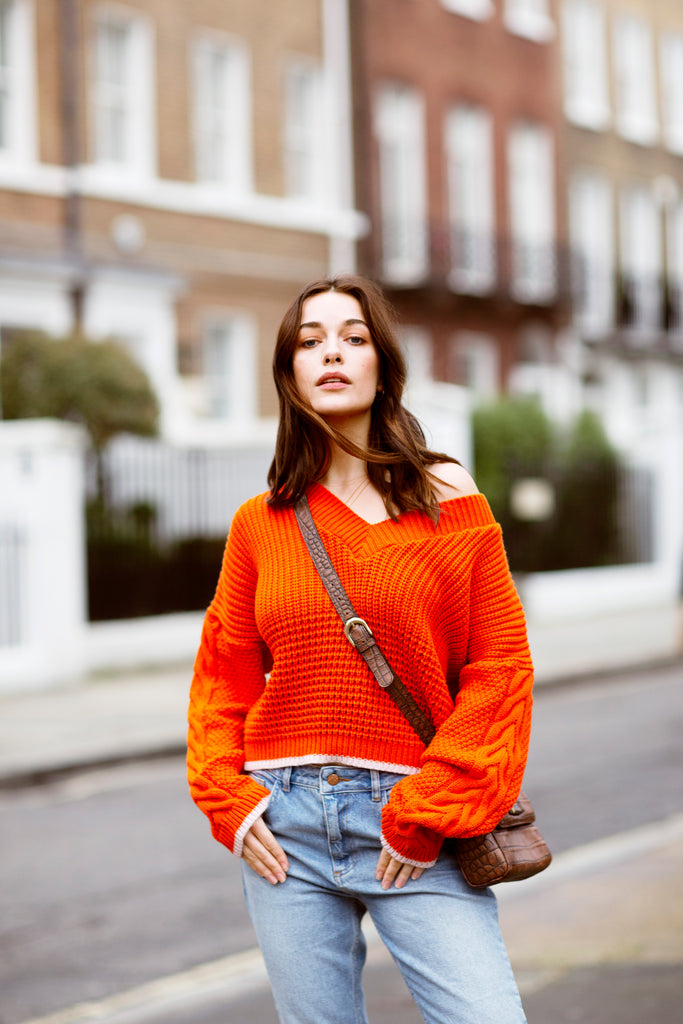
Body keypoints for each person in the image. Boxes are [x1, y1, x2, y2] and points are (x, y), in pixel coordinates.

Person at [187, 274, 534, 1024]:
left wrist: (426, 807)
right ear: (289, 374)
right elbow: (223, 674)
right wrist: (230, 800)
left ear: (383, 366)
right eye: (309, 342)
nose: (331, 353)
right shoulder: (261, 522)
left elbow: (500, 670)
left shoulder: (447, 495)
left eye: (352, 337)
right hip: (285, 828)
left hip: (414, 820)